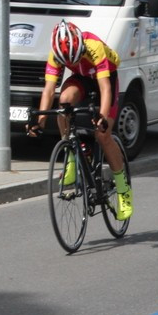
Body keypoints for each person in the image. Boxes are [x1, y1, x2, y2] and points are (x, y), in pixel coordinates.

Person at [34, 19, 133, 220]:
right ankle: (72, 154)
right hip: (82, 78)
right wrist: (40, 121)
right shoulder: (56, 54)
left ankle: (124, 191)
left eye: (75, 57)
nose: (72, 60)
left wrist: (103, 118)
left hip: (105, 78)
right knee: (64, 102)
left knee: (103, 135)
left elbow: (105, 88)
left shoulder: (94, 47)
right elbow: (49, 90)